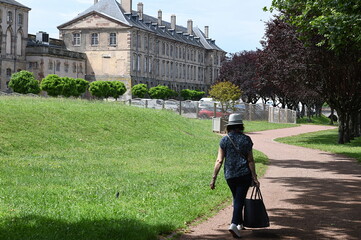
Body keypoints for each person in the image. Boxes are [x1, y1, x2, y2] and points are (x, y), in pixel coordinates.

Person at [210, 113, 260, 238]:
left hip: (230, 175)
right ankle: (234, 224)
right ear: (240, 126)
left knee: (237, 198)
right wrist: (254, 177)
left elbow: (219, 161)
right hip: (244, 174)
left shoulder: (224, 140)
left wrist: (213, 178)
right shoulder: (246, 139)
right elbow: (250, 160)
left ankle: (240, 223)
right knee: (239, 199)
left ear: (229, 126)